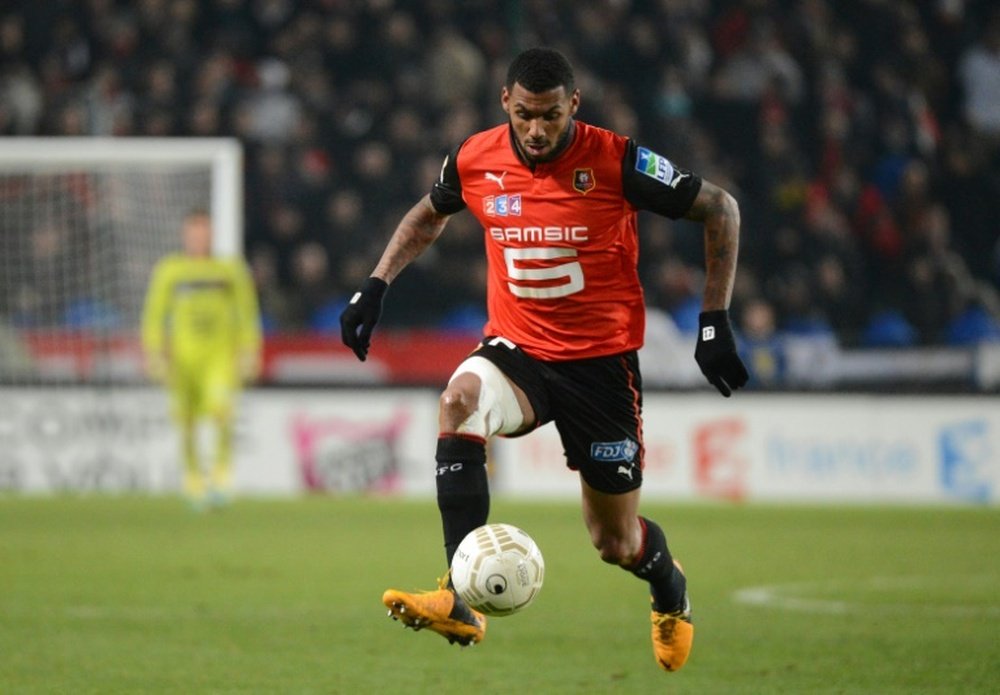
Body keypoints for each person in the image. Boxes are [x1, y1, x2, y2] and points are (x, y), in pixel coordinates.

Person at [339, 47, 748, 673]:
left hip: (601, 367)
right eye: (526, 114)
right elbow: (429, 214)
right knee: (457, 402)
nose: (536, 129)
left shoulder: (618, 160)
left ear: (573, 106)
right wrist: (376, 283)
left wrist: (714, 318)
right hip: (519, 350)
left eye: (551, 116)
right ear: (505, 102)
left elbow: (720, 207)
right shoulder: (475, 157)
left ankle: (668, 585)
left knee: (614, 542)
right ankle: (457, 597)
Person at [142, 210, 262, 508]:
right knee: (186, 421)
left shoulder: (229, 270)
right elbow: (154, 316)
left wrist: (250, 351)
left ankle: (221, 475)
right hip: (182, 359)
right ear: (186, 236)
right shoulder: (170, 270)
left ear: (212, 236)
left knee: (222, 413)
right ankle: (193, 478)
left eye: (204, 233)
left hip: (219, 358)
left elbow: (247, 314)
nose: (199, 239)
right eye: (194, 233)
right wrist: (154, 353)